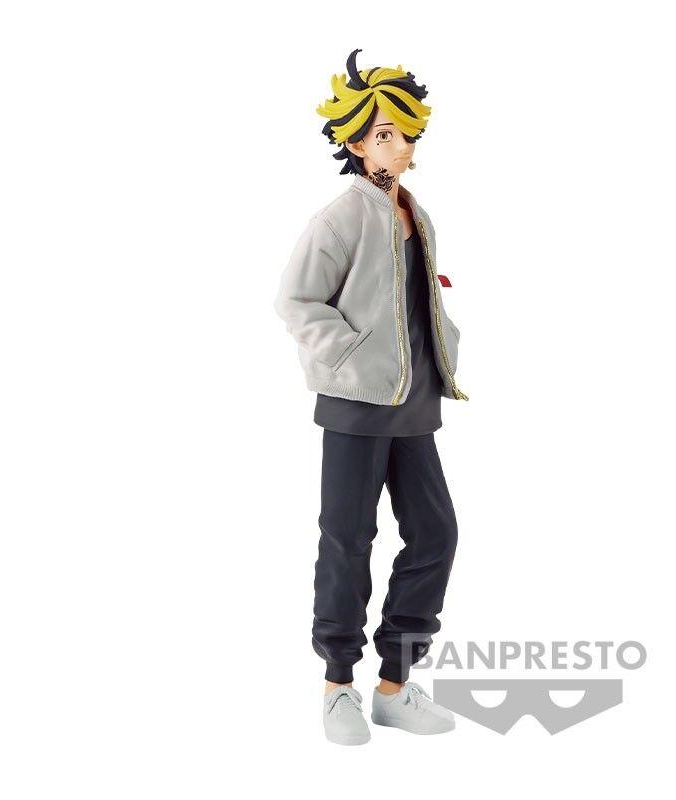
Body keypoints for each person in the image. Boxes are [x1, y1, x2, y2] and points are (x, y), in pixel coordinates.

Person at [274, 49, 467, 745]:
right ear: (355, 143)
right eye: (384, 133)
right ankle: (337, 686)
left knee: (435, 534)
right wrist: (351, 356)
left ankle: (393, 684)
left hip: (413, 403)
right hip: (358, 405)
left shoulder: (415, 213)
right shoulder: (342, 217)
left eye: (406, 133)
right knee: (348, 541)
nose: (399, 145)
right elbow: (296, 300)